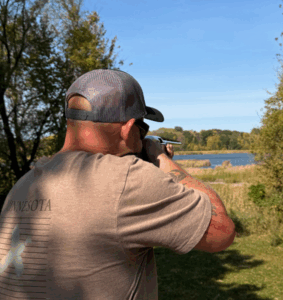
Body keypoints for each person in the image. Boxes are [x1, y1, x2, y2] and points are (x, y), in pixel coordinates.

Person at [0, 69, 236, 300]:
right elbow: (221, 232)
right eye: (142, 129)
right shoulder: (129, 179)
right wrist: (161, 158)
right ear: (127, 128)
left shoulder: (24, 185)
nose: (142, 136)